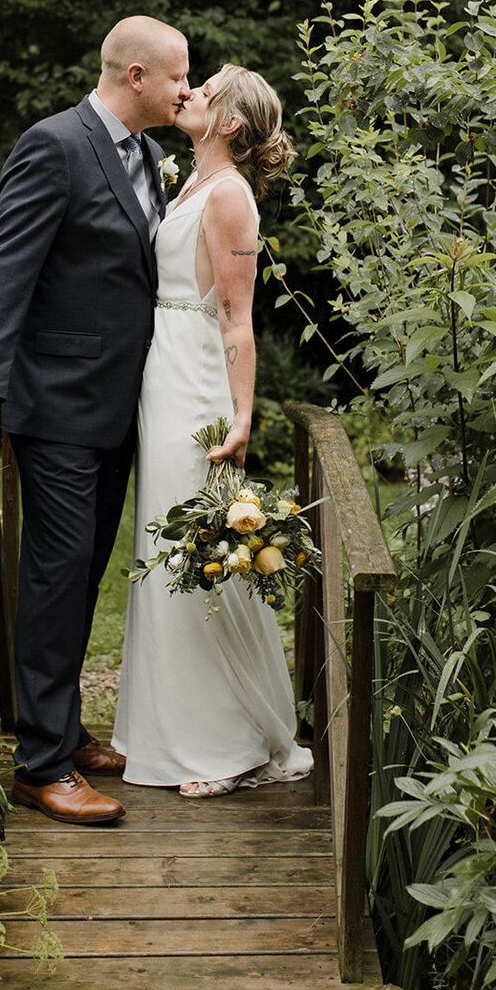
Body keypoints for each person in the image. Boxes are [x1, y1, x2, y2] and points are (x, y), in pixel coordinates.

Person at [0, 15, 191, 825]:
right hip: (55, 407)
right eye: (178, 76)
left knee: (80, 577)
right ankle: (39, 766)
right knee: (53, 579)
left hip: (117, 406)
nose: (188, 90)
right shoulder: (54, 144)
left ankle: (61, 726)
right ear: (137, 79)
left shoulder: (147, 155)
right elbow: (5, 263)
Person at [112, 64, 313, 797]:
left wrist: (241, 414)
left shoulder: (230, 198)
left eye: (208, 88)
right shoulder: (190, 185)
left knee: (193, 550)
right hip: (160, 377)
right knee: (165, 548)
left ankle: (224, 748)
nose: (189, 91)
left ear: (230, 122)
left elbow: (237, 316)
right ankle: (168, 734)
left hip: (195, 384)